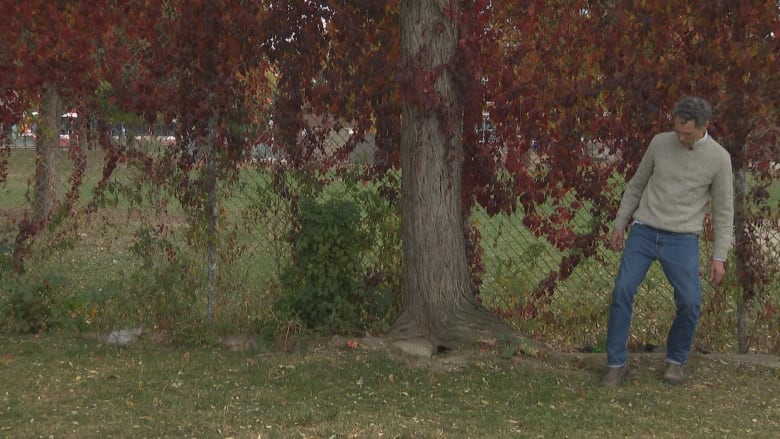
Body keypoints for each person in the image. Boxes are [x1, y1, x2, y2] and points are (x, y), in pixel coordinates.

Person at [602, 96, 734, 387]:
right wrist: (620, 223)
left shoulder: (719, 159)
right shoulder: (660, 144)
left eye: (687, 133)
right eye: (677, 130)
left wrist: (719, 256)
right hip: (645, 230)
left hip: (683, 238)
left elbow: (724, 212)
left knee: (689, 302)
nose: (680, 137)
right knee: (622, 290)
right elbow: (637, 184)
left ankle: (675, 361)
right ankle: (616, 363)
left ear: (704, 127)